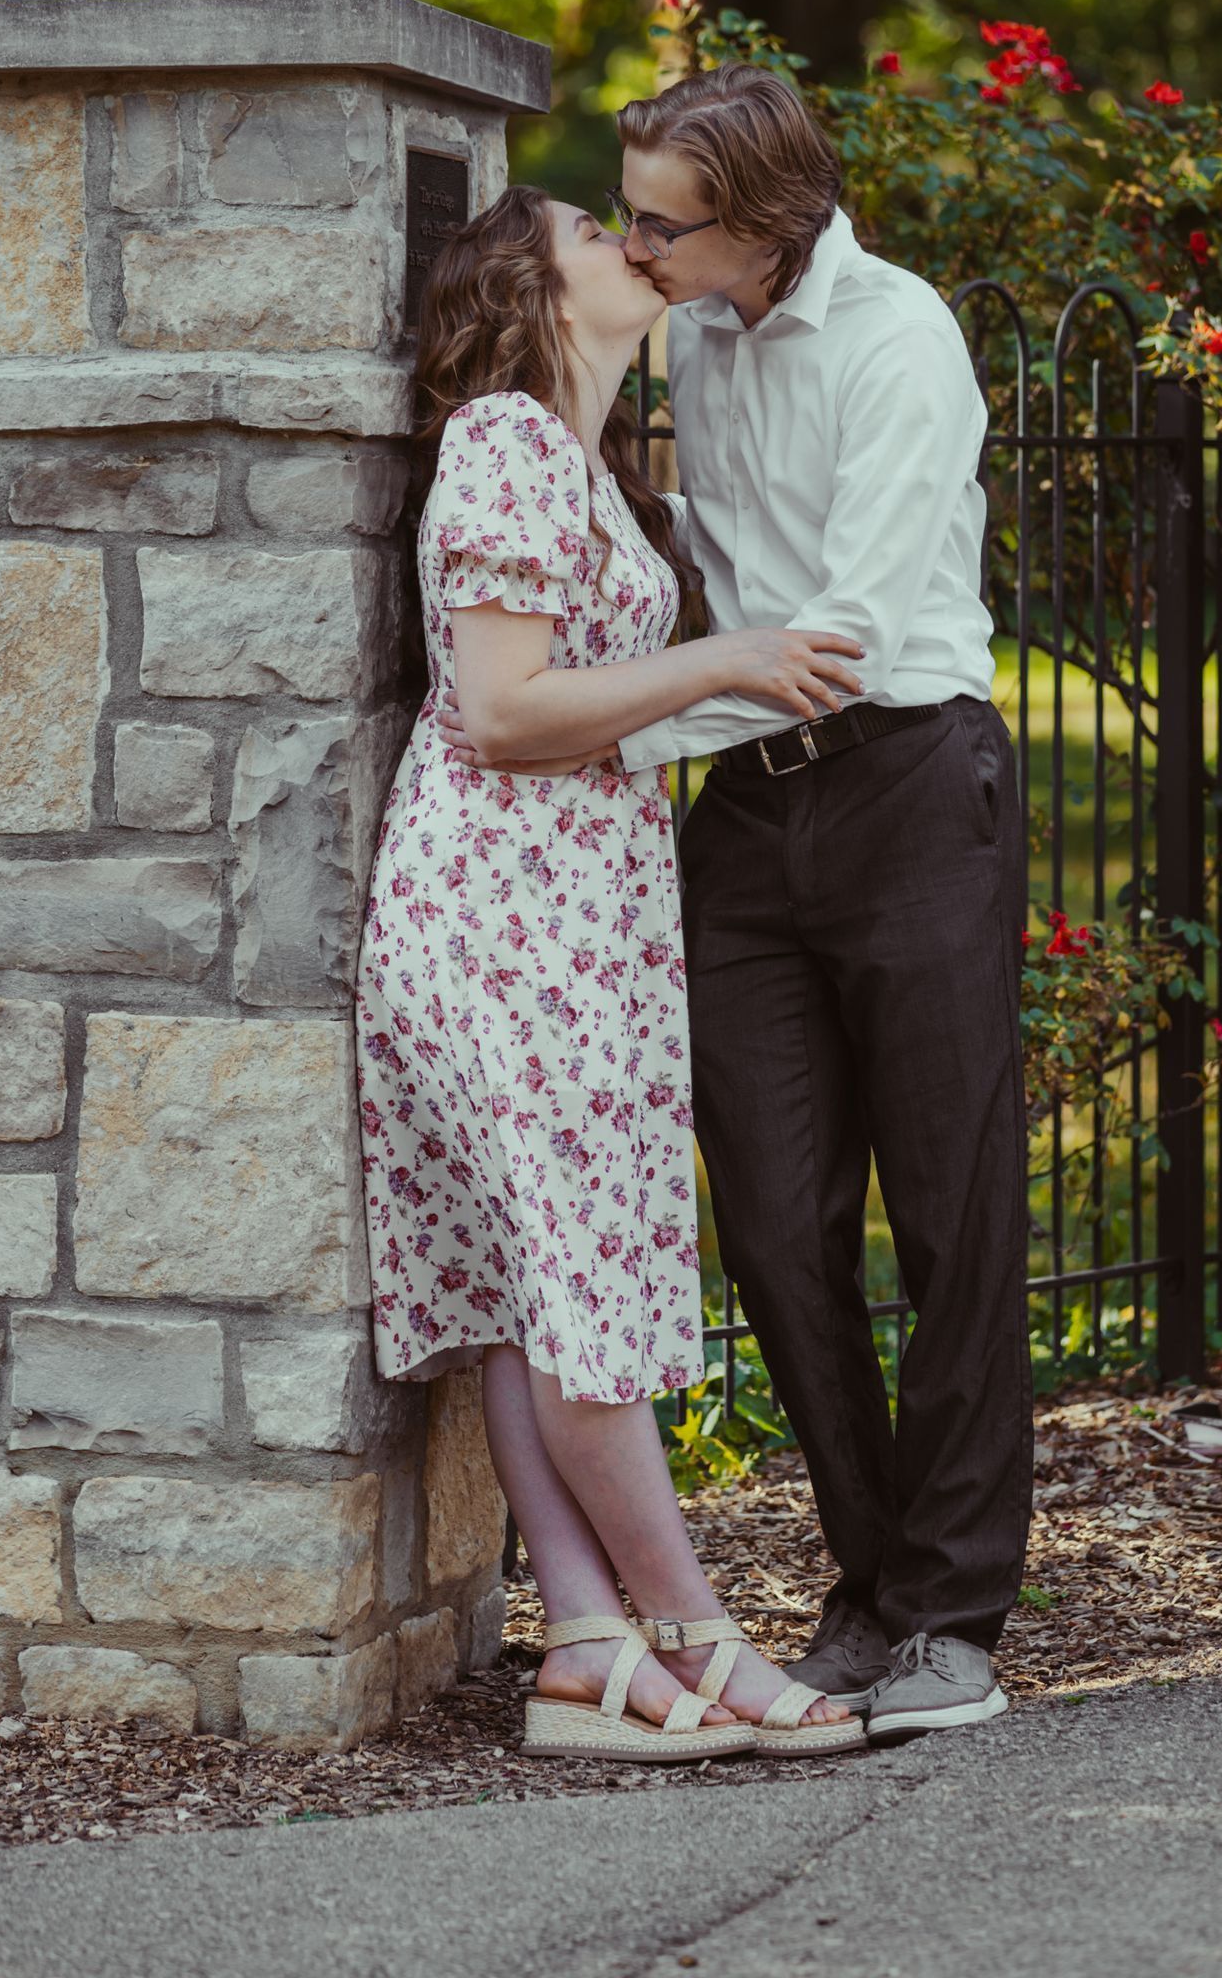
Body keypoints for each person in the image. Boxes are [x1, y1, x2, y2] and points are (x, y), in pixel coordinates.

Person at [353, 183, 866, 1764]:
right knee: (578, 1293)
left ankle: (583, 1648)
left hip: (566, 920)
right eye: (597, 233)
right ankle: (700, 1635)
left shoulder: (573, 462)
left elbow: (577, 705)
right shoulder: (507, 443)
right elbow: (505, 711)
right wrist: (730, 656)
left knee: (533, 1298)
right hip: (506, 927)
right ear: (533, 289)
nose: (635, 249)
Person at [605, 60, 1032, 1744]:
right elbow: (727, 578)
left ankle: (951, 1615)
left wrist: (598, 728)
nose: (635, 248)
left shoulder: (896, 338)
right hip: (749, 821)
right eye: (628, 212)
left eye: (663, 224)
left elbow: (834, 636)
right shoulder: (695, 336)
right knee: (776, 1228)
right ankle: (874, 1587)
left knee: (953, 1214)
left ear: (765, 225)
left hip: (914, 784)